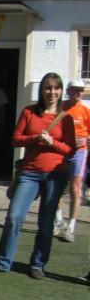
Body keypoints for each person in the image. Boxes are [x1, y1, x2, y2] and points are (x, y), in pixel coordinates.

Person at [0, 73, 74, 279]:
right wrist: (35, 138)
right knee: (14, 217)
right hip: (29, 173)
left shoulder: (65, 118)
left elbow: (70, 150)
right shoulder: (29, 112)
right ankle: (3, 261)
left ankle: (38, 264)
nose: (52, 92)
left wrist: (52, 143)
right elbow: (15, 140)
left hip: (55, 175)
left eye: (56, 88)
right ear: (42, 90)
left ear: (61, 91)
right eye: (48, 88)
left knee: (46, 223)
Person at [53, 79, 90, 242]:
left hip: (79, 153)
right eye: (75, 89)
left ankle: (71, 227)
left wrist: (87, 139)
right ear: (68, 91)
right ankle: (58, 219)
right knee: (57, 186)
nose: (79, 92)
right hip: (61, 151)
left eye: (81, 89)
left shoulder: (85, 110)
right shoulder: (59, 108)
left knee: (76, 189)